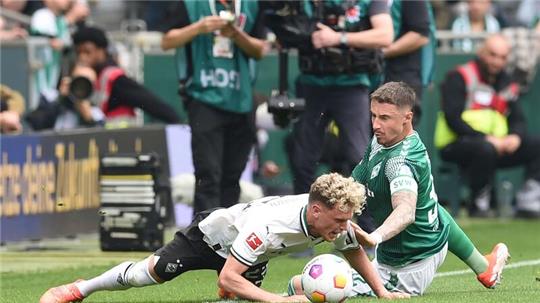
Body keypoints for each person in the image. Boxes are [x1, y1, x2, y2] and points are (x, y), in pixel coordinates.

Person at [39, 173, 409, 302]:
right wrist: (277, 300)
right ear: (316, 210)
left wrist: (382, 292)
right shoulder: (270, 225)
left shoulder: (334, 222)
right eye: (340, 219)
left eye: (348, 220)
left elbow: (354, 251)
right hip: (210, 239)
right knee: (145, 275)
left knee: (241, 297)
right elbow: (226, 274)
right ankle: (78, 289)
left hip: (253, 257)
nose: (344, 227)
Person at [288, 82, 510, 297]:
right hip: (402, 254)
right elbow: (355, 183)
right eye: (374, 115)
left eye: (384, 118)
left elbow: (406, 211)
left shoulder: (400, 163)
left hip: (407, 270)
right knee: (427, 202)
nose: (375, 124)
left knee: (299, 285)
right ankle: (483, 267)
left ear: (407, 118)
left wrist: (375, 238)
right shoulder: (384, 140)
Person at [160, 1, 267, 214]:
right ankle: (201, 238)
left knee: (232, 177)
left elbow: (260, 50)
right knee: (207, 174)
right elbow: (166, 41)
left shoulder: (252, 5)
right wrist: (198, 28)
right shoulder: (191, 4)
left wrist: (235, 34)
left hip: (242, 99)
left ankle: (227, 238)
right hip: (203, 97)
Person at [435, 34, 540, 218]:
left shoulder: (506, 82)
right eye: (493, 55)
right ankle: (479, 201)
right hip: (457, 144)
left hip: (496, 146)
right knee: (485, 148)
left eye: (502, 57)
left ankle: (529, 198)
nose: (497, 62)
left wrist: (514, 136)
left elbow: (518, 118)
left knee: (536, 144)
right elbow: (453, 119)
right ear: (481, 53)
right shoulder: (459, 76)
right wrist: (486, 138)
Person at [72, 26, 181, 127]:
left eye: (87, 52)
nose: (82, 57)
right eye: (79, 53)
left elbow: (150, 103)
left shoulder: (114, 78)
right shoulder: (84, 76)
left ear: (101, 51)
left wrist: (177, 123)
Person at [384, 0, 436, 125]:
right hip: (372, 78)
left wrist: (381, 53)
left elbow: (421, 35)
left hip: (402, 79)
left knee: (398, 137)